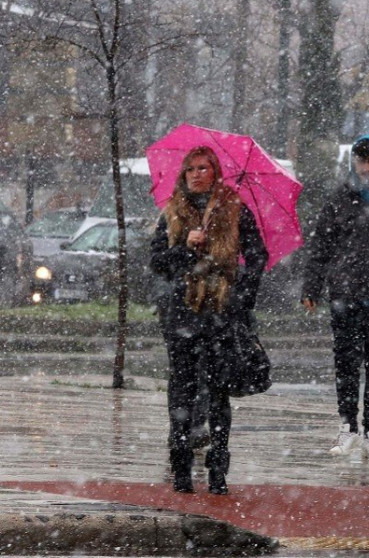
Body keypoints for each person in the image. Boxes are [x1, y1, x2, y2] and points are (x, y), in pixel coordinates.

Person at [149, 146, 267, 495]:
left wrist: (239, 292)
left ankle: (218, 469)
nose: (197, 174)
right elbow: (157, 261)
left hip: (220, 314)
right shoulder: (172, 212)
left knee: (218, 393)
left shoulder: (234, 209)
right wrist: (186, 246)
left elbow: (258, 255)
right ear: (183, 175)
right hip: (182, 312)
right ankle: (181, 465)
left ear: (215, 172)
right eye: (191, 169)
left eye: (204, 168)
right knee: (182, 391)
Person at [301, 136, 369, 459]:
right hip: (346, 296)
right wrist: (312, 287)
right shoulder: (340, 198)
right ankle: (348, 425)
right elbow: (320, 246)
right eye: (360, 161)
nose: (365, 168)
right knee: (347, 365)